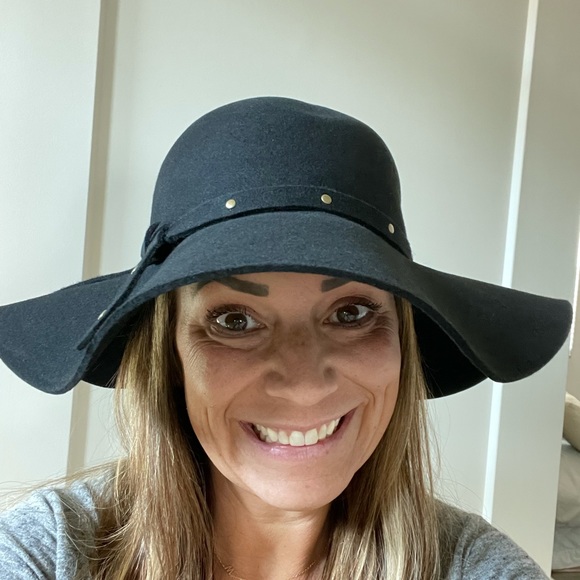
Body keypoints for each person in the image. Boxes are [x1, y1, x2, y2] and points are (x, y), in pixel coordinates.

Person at [0, 97, 571, 579]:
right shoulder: (50, 553)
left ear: (404, 341)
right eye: (234, 321)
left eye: (351, 313)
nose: (303, 384)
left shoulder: (470, 566)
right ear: (169, 354)